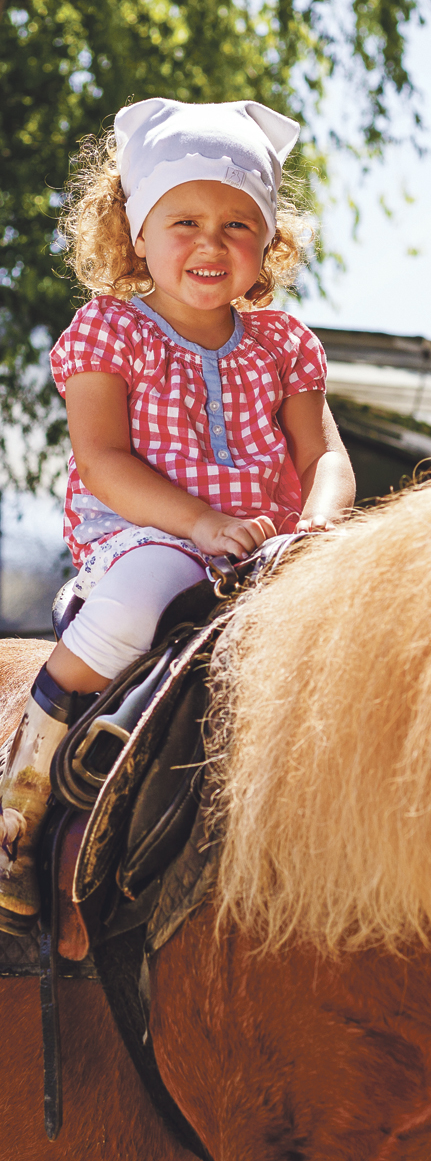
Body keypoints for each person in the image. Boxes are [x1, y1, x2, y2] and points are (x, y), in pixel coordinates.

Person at [0, 97, 355, 935]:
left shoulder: (284, 344)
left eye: (239, 224)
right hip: (150, 532)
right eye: (184, 220)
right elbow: (104, 463)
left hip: (266, 543)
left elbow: (323, 457)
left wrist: (322, 525)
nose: (210, 243)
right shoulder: (111, 332)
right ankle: (25, 791)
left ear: (268, 242)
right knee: (138, 600)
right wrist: (197, 524)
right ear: (136, 234)